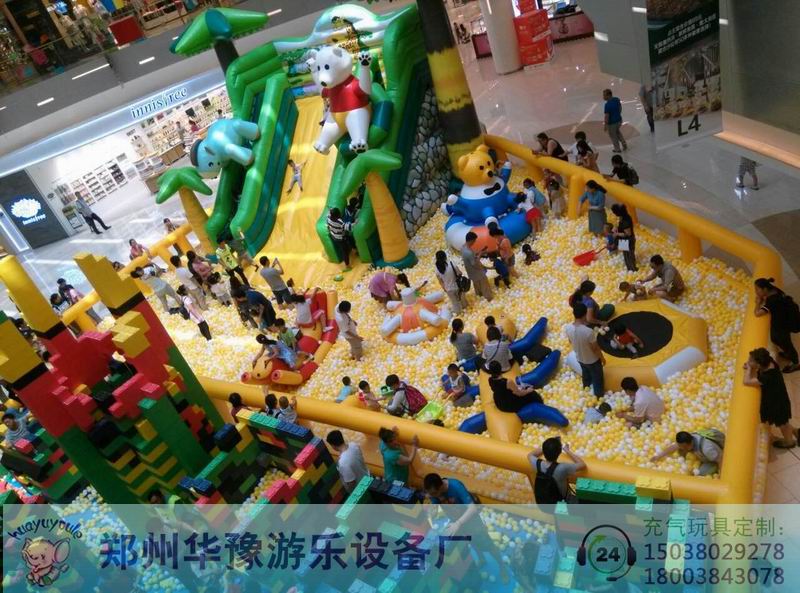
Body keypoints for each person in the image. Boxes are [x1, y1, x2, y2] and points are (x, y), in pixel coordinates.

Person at [423, 472, 508, 582]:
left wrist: (458, 523)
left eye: (434, 493)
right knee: (471, 541)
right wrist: (432, 510)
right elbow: (435, 504)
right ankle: (481, 558)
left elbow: (472, 508)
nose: (432, 496)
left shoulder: (456, 486)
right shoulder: (434, 494)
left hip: (471, 521)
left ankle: (502, 567)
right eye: (430, 494)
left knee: (488, 545)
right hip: (457, 523)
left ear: (441, 486)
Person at [743, 348, 796, 448]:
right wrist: (751, 365)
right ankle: (795, 431)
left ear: (758, 365)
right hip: (778, 397)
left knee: (782, 423)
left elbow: (746, 382)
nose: (748, 361)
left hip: (777, 402)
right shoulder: (770, 362)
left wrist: (749, 369)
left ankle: (789, 442)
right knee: (783, 420)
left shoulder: (767, 376)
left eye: (751, 360)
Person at [753, 277, 799, 372]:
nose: (756, 292)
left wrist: (757, 303)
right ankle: (788, 354)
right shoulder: (776, 291)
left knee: (785, 343)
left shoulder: (772, 301)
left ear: (765, 289)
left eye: (757, 289)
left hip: (781, 326)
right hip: (783, 321)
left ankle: (795, 363)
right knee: (775, 339)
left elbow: (757, 313)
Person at [528, 436, 587, 504]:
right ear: (560, 452)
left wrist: (547, 446)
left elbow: (530, 455)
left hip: (543, 503)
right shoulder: (562, 468)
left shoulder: (537, 464)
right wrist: (567, 451)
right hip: (561, 504)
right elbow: (582, 465)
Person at [565, 302, 605, 397]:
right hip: (592, 360)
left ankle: (586, 387)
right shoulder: (588, 332)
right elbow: (595, 349)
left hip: (580, 358)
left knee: (586, 373)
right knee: (597, 377)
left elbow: (570, 341)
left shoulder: (568, 328)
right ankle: (598, 395)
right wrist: (602, 358)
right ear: (585, 315)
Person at [650, 430, 724, 476]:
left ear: (688, 445)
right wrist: (658, 456)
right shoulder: (690, 437)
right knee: (680, 452)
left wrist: (721, 474)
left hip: (715, 457)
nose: (681, 448)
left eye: (683, 447)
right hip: (705, 452)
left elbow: (721, 459)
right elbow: (674, 447)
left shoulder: (707, 449)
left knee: (700, 473)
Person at [461, 232, 493, 301]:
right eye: (474, 240)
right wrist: (480, 255)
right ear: (471, 240)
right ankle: (488, 298)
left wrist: (478, 253)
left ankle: (480, 297)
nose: (474, 242)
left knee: (477, 285)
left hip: (470, 273)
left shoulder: (463, 247)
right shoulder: (469, 252)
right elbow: (475, 264)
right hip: (477, 272)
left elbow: (471, 257)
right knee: (484, 285)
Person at [435, 250, 467, 315]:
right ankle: (466, 310)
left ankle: (459, 313)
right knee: (462, 300)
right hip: (457, 286)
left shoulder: (437, 269)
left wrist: (444, 288)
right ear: (445, 256)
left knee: (455, 303)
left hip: (448, 289)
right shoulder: (451, 264)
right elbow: (459, 273)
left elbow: (440, 281)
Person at [611, 203, 637, 272]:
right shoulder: (623, 217)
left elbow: (628, 234)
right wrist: (616, 228)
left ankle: (633, 269)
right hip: (623, 240)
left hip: (628, 240)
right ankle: (629, 269)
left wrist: (617, 234)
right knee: (626, 255)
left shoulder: (626, 221)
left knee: (629, 256)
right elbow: (620, 226)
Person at [603, 88, 627, 152]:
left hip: (612, 123)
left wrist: (605, 125)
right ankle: (624, 143)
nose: (603, 97)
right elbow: (620, 107)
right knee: (617, 132)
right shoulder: (616, 99)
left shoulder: (607, 105)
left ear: (608, 95)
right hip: (619, 121)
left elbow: (607, 116)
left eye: (604, 95)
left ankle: (617, 149)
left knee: (613, 136)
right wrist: (618, 114)